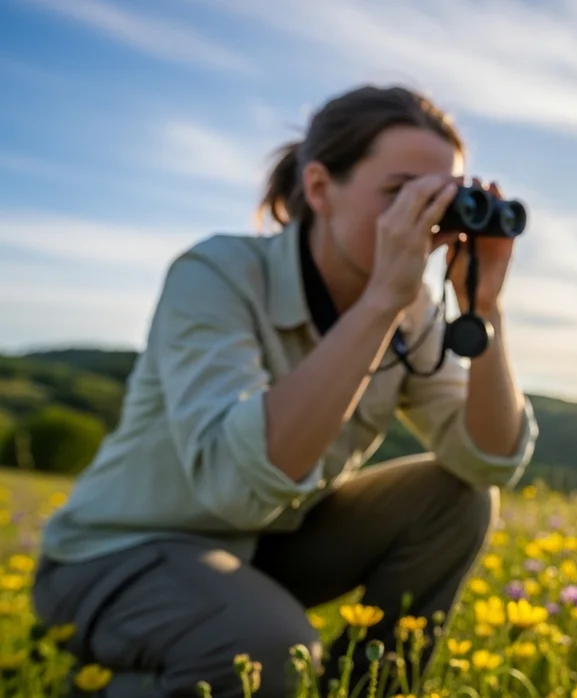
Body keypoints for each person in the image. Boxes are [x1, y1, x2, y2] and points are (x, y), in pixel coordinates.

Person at [30, 84, 539, 697]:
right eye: (401, 194)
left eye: (443, 200)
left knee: (458, 497)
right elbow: (238, 487)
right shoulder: (218, 275)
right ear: (320, 188)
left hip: (261, 548)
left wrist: (484, 308)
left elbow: (489, 459)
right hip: (120, 554)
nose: (426, 220)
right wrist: (381, 303)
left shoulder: (411, 310)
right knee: (266, 648)